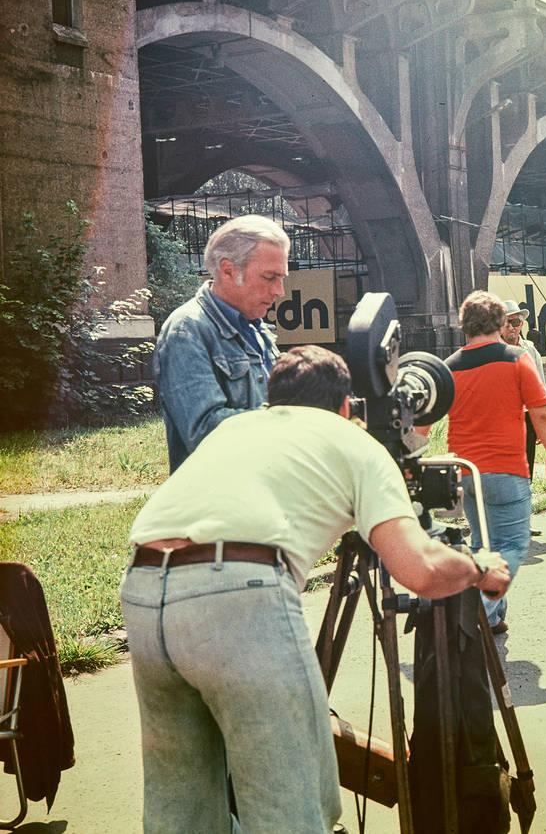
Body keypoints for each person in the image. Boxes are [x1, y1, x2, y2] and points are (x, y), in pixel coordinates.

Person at [120, 345, 511, 834]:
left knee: (183, 810)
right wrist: (479, 568)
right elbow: (422, 569)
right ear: (347, 407)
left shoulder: (235, 428)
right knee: (289, 806)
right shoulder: (355, 444)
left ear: (272, 398)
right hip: (238, 593)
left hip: (142, 588)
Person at [443, 291, 546, 634]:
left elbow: (424, 422)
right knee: (511, 548)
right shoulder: (516, 358)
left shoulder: (449, 366)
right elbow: (540, 413)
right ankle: (472, 613)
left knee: (484, 546)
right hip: (507, 470)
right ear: (499, 322)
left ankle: (493, 618)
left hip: (466, 473)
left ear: (464, 325)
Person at [153, 214, 290, 472]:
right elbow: (205, 433)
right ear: (228, 270)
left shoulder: (257, 329)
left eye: (282, 278)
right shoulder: (188, 330)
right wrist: (292, 423)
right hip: (220, 502)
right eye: (270, 277)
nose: (279, 291)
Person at [499, 299, 546, 478]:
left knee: (528, 468)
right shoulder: (494, 351)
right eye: (506, 322)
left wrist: (541, 424)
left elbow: (540, 387)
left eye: (516, 322)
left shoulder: (531, 350)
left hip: (527, 417)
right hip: (504, 418)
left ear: (522, 324)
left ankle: (526, 501)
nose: (512, 327)